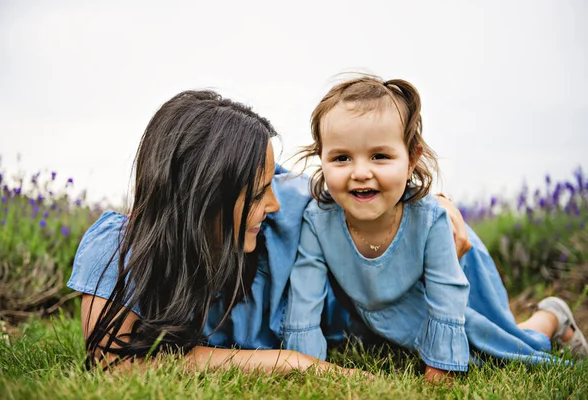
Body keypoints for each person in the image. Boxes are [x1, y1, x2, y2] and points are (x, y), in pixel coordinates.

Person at [67, 88, 472, 375]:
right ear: (205, 198)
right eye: (260, 193)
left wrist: (433, 199)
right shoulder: (117, 249)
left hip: (420, 262)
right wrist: (292, 363)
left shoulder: (291, 207)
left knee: (494, 332)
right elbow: (115, 364)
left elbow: (361, 185)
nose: (274, 203)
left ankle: (541, 317)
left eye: (272, 184)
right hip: (370, 317)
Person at [283, 75, 588, 382]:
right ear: (321, 161)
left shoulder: (428, 219)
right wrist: (307, 364)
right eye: (341, 158)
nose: (361, 172)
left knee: (497, 346)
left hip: (457, 283)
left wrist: (442, 366)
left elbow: (447, 294)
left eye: (380, 156)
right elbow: (304, 298)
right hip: (383, 309)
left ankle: (551, 316)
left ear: (411, 159)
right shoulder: (318, 221)